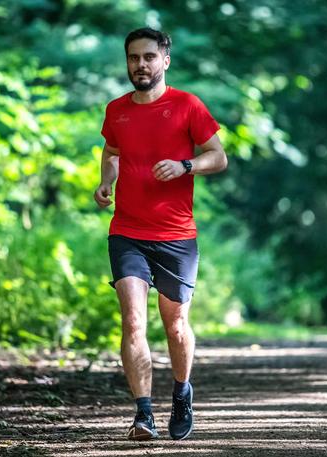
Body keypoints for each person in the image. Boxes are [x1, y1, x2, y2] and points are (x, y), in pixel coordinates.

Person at [94, 27, 227, 441]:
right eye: (134, 58)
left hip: (176, 235)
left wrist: (185, 166)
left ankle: (182, 391)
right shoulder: (116, 110)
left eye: (149, 57)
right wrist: (105, 182)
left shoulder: (187, 105)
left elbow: (218, 157)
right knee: (133, 319)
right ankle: (143, 414)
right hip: (127, 231)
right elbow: (112, 152)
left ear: (165, 60)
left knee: (175, 325)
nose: (141, 65)